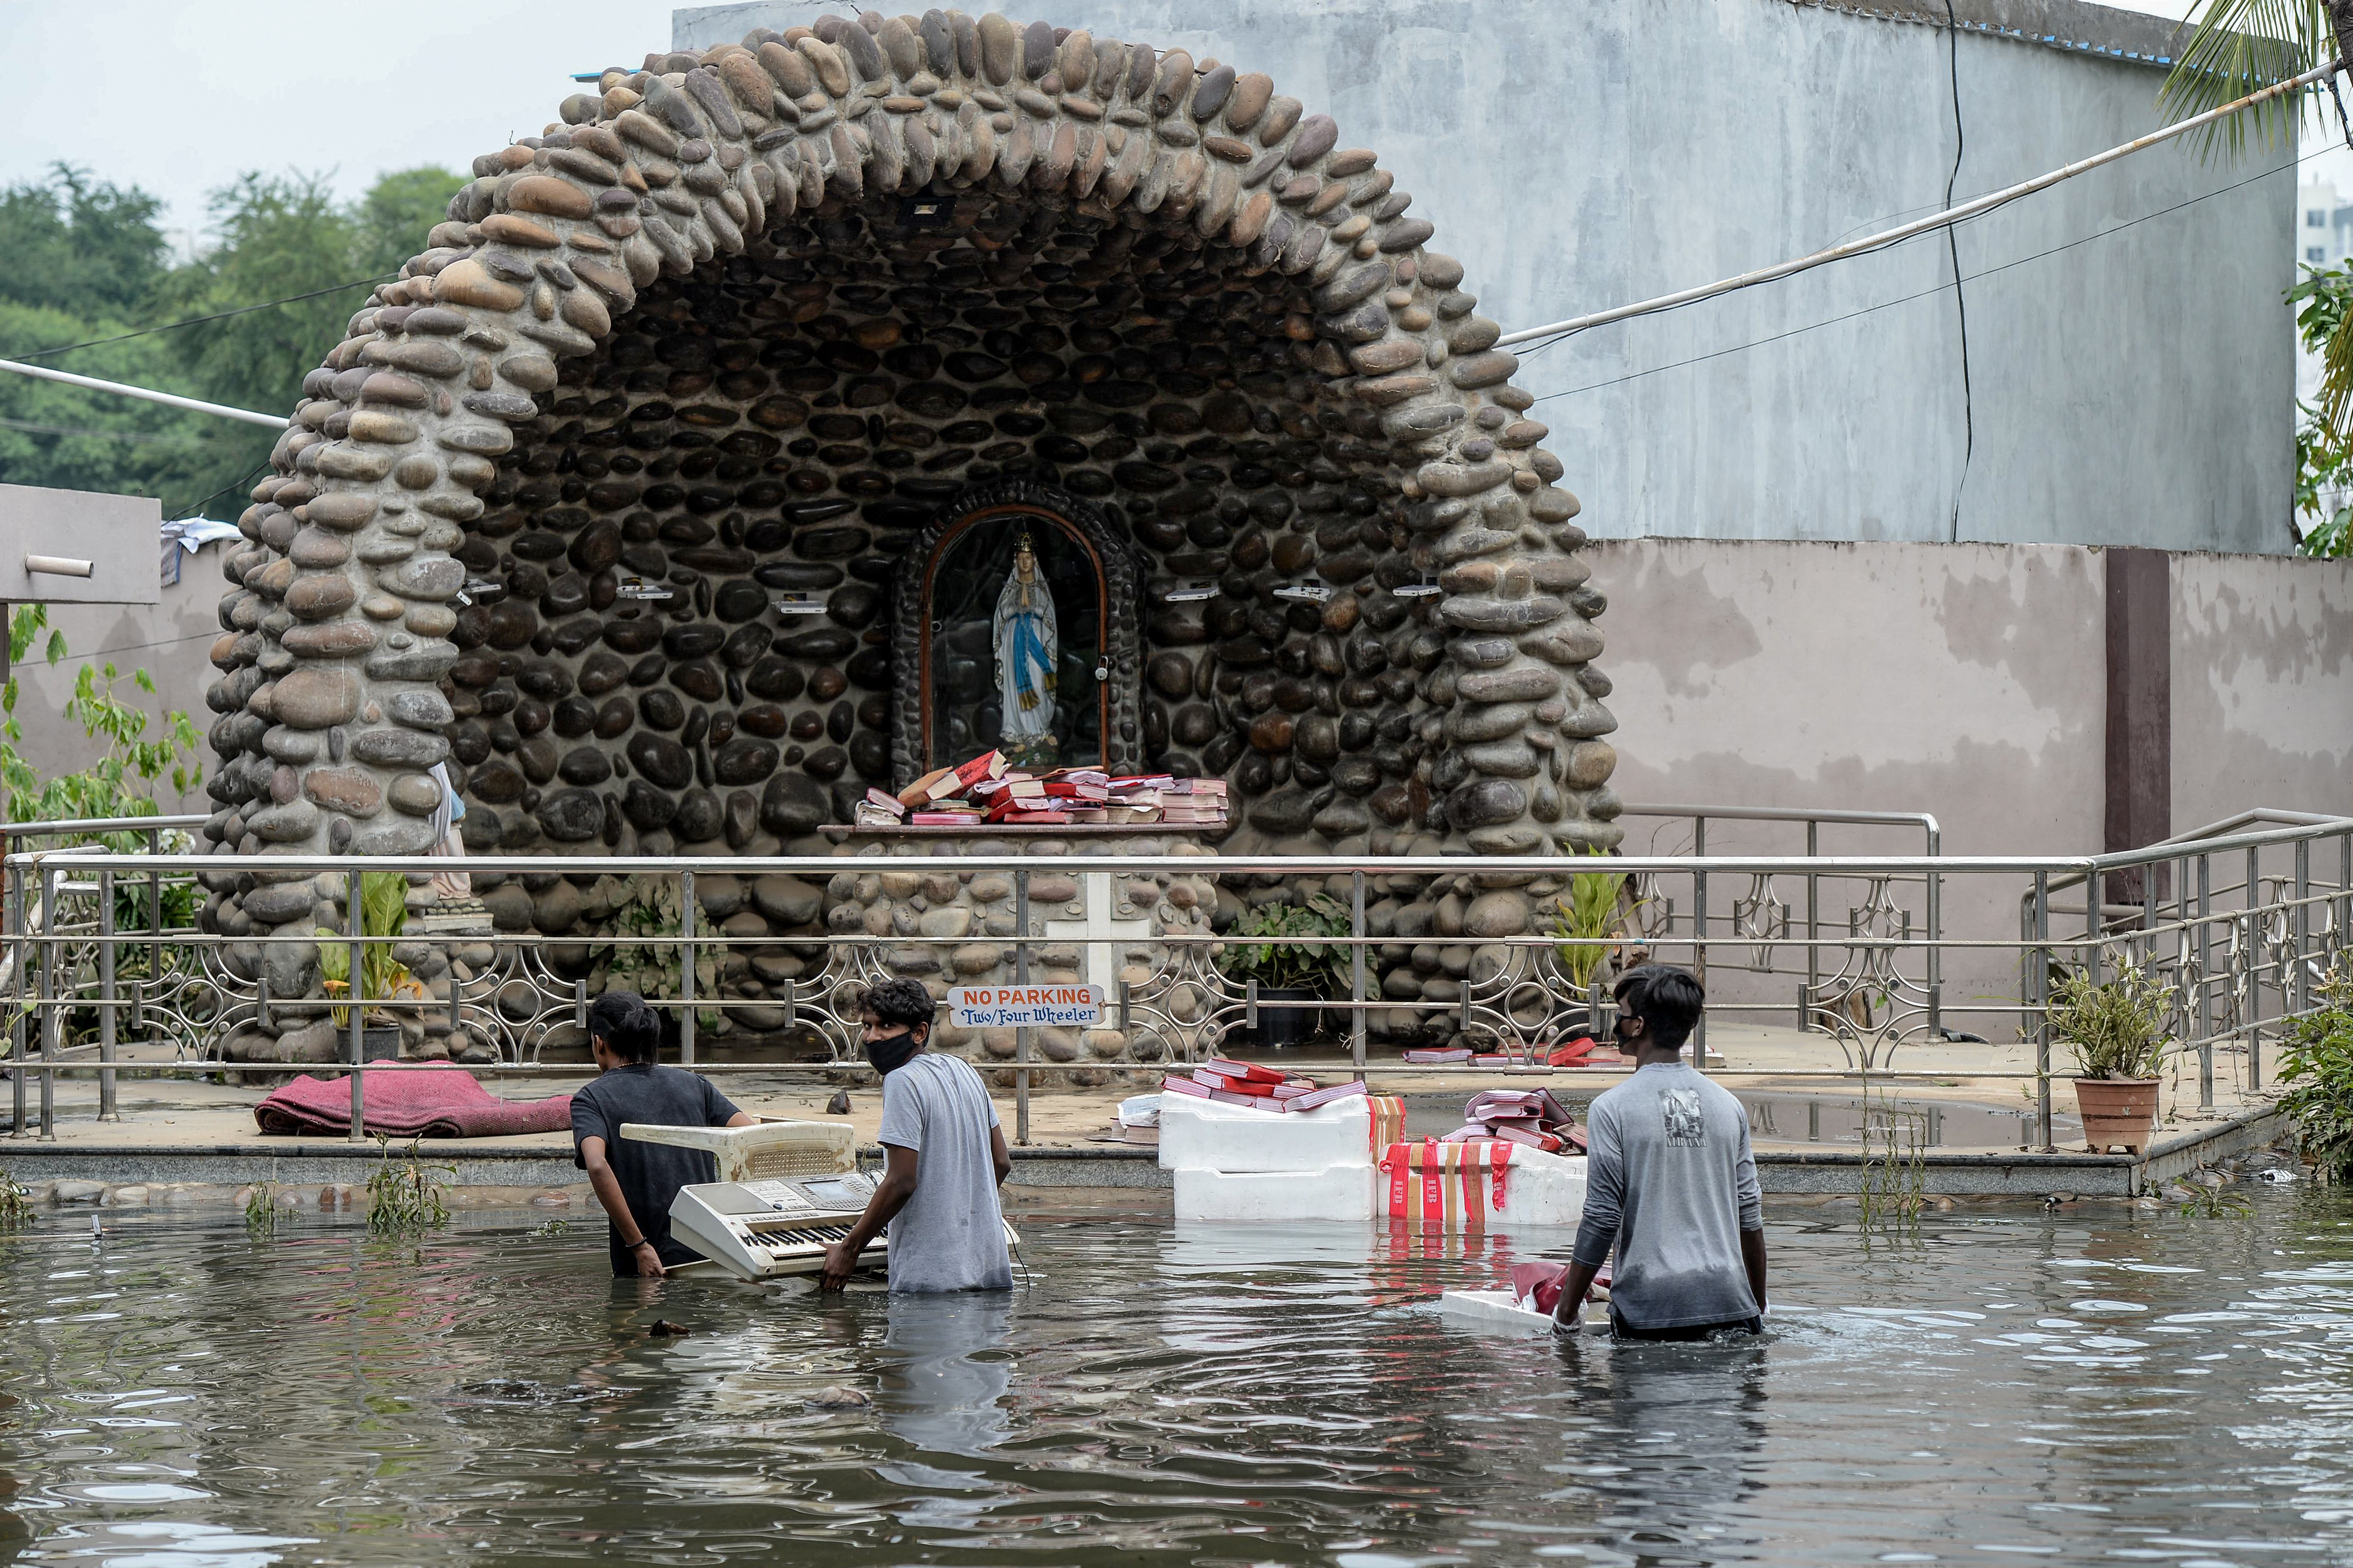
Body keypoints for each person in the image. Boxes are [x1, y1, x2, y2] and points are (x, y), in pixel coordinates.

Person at [1552, 964, 1767, 1340]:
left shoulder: (1612, 1109)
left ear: (1637, 1026)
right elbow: (1749, 1216)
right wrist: (1758, 1307)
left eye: (1620, 1015)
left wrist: (1566, 1315)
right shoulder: (1728, 1106)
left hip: (1650, 1311)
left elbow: (1602, 1218)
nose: (1616, 1024)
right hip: (1733, 1307)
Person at [820, 978, 1013, 1294]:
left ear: (919, 1033)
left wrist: (848, 1250)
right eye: (867, 1027)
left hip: (933, 1281)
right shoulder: (964, 1070)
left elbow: (901, 1182)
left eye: (886, 1026)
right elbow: (1001, 1162)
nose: (872, 1036)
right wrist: (959, 1214)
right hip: (990, 1271)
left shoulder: (901, 1081)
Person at [571, 990, 754, 1278]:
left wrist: (639, 1246)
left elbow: (596, 1164)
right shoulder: (694, 1085)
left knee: (644, 1325)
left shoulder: (590, 1099)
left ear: (599, 1043)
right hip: (712, 1250)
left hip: (646, 1263)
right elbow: (754, 1136)